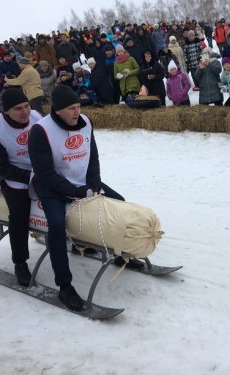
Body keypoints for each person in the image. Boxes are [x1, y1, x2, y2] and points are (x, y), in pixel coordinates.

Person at [28, 85, 142, 311]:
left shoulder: (86, 122)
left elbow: (93, 156)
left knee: (118, 202)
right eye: (71, 108)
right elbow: (44, 172)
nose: (76, 112)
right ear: (58, 110)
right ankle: (65, 286)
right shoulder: (40, 131)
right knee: (58, 225)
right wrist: (73, 191)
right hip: (51, 186)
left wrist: (94, 182)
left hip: (80, 179)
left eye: (79, 106)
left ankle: (119, 254)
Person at [0, 88, 43, 287]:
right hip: (14, 177)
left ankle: (79, 241)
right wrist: (30, 177)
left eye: (27, 106)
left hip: (42, 170)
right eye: (18, 108)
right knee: (19, 213)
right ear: (5, 111)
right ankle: (20, 262)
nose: (25, 111)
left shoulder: (36, 116)